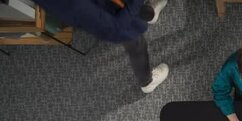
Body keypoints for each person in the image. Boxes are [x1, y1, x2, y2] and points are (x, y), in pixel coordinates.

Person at [34, 0, 170, 93]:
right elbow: (114, 28)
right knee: (135, 42)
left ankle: (147, 13)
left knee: (130, 9)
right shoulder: (73, 4)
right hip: (104, 16)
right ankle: (146, 82)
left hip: (109, 5)